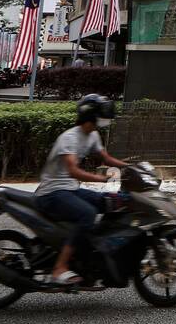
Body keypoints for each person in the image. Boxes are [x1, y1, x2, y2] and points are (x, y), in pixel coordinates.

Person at [33, 94, 130, 286]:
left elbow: (106, 158)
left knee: (110, 202)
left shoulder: (92, 135)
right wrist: (101, 178)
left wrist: (132, 168)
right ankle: (59, 268)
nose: (104, 119)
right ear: (90, 116)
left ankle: (93, 249)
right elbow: (73, 171)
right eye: (100, 115)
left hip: (69, 190)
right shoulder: (69, 138)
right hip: (52, 193)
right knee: (88, 214)